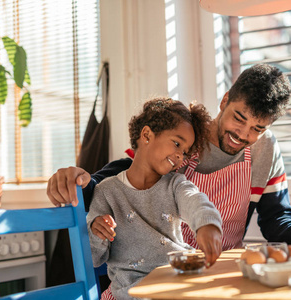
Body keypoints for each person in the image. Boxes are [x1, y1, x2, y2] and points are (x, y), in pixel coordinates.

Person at [47, 63, 291, 250]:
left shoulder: (265, 149)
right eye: (238, 118)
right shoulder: (184, 134)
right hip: (167, 266)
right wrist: (82, 181)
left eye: (257, 128)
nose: (243, 135)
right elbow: (129, 175)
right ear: (225, 100)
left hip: (222, 267)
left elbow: (276, 218)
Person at [87, 98, 222, 299]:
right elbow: (94, 258)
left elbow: (195, 200)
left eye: (185, 152)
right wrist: (97, 232)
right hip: (134, 289)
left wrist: (207, 224)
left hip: (178, 277)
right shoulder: (106, 191)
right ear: (147, 135)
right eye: (176, 143)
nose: (180, 156)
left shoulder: (176, 184)